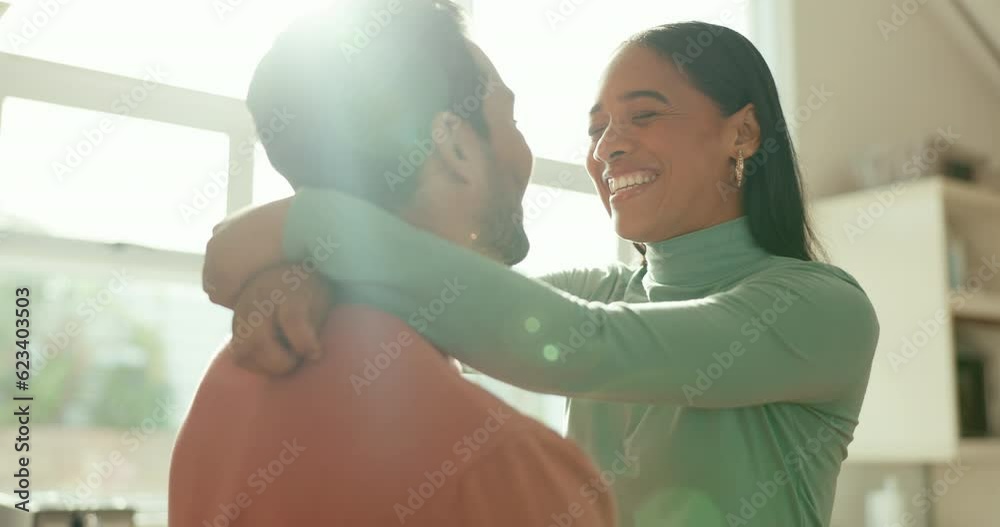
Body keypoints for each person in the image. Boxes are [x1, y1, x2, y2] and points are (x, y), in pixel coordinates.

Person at [203, 20, 881, 527]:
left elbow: (585, 344)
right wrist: (317, 275)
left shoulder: (821, 309)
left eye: (644, 114)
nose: (609, 145)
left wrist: (312, 224)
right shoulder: (607, 293)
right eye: (596, 128)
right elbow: (447, 292)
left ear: (743, 133)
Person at [168, 2, 617, 526]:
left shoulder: (223, 394)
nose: (525, 149)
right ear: (454, 144)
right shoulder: (512, 470)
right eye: (510, 119)